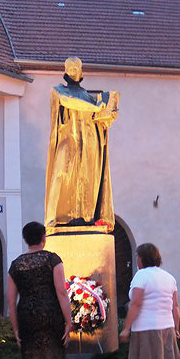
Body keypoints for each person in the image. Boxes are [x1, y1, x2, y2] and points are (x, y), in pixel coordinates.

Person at [7, 221, 73, 359]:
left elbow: (10, 300)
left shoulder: (16, 265)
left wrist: (15, 328)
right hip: (50, 315)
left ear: (26, 239)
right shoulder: (53, 260)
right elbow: (61, 292)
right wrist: (69, 321)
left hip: (26, 317)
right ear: (44, 237)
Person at [45, 56, 119, 232]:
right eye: (69, 69)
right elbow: (68, 101)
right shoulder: (58, 90)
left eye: (75, 69)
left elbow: (100, 121)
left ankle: (86, 216)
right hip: (68, 139)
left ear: (80, 71)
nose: (73, 72)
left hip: (89, 142)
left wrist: (109, 114)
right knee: (63, 174)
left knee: (87, 179)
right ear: (65, 71)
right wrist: (96, 108)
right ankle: (61, 217)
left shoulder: (88, 96)